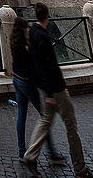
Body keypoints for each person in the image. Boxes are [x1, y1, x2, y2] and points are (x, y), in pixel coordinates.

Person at [23, 3, 93, 178]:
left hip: (43, 87)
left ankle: (30, 155)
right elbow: (48, 66)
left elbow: (35, 63)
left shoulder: (32, 32)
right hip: (55, 89)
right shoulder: (42, 36)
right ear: (47, 17)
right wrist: (50, 93)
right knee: (71, 127)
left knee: (45, 121)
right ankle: (80, 169)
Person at [10, 16, 64, 165]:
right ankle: (51, 152)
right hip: (27, 84)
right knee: (45, 117)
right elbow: (33, 66)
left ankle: (21, 152)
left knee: (21, 116)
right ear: (23, 29)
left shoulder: (13, 41)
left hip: (16, 80)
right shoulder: (25, 46)